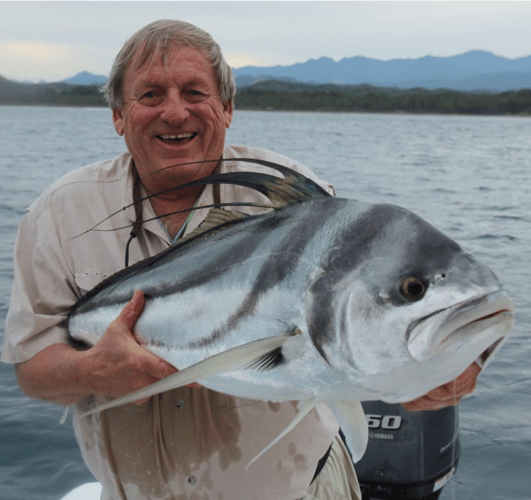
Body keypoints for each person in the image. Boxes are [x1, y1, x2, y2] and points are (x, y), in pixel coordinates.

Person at [2, 19, 481, 500]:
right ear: (118, 116)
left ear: (227, 108)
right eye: (149, 95)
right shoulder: (60, 215)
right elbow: (33, 367)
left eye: (195, 92)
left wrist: (434, 372)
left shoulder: (300, 204)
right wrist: (90, 371)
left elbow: (359, 325)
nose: (174, 112)